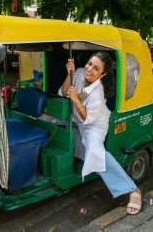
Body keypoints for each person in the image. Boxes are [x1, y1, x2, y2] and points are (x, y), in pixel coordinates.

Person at [59, 52, 142, 215]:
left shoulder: (98, 92)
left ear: (102, 74)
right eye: (90, 64)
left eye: (95, 68)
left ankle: (133, 190)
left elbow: (89, 119)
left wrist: (76, 100)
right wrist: (69, 73)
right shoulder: (78, 72)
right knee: (51, 125)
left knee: (95, 152)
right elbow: (62, 93)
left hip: (94, 124)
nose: (89, 69)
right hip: (76, 118)